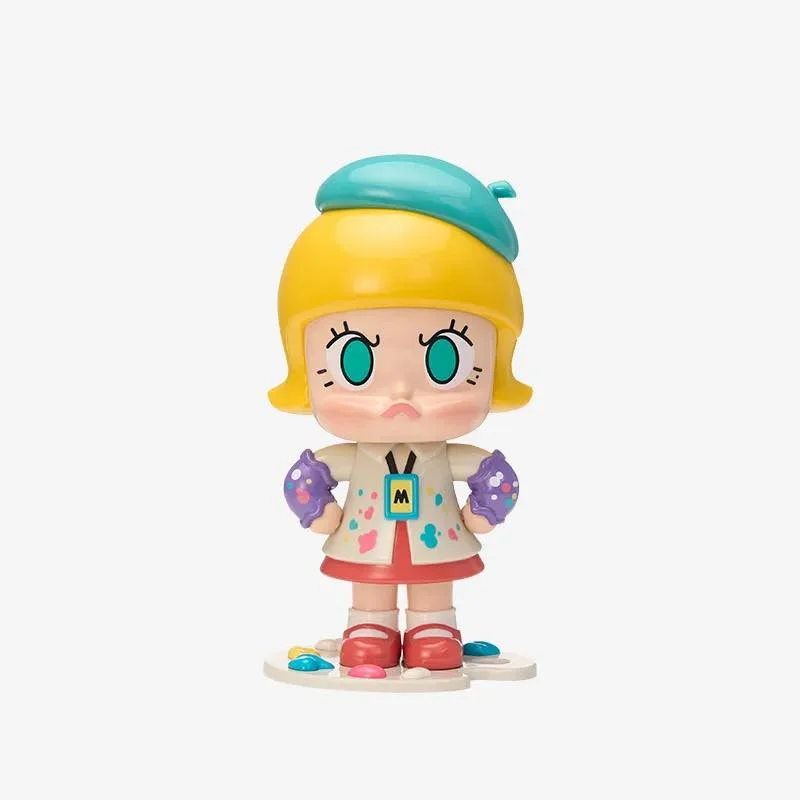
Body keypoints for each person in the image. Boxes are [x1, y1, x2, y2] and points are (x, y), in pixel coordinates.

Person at [269, 154, 531, 670]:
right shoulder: (354, 455)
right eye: (355, 360)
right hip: (366, 539)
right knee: (370, 590)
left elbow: (495, 474)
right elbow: (306, 475)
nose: (402, 394)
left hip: (439, 537)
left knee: (434, 585)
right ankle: (370, 623)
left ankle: (434, 624)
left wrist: (484, 510)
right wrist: (318, 510)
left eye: (444, 358)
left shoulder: (446, 455)